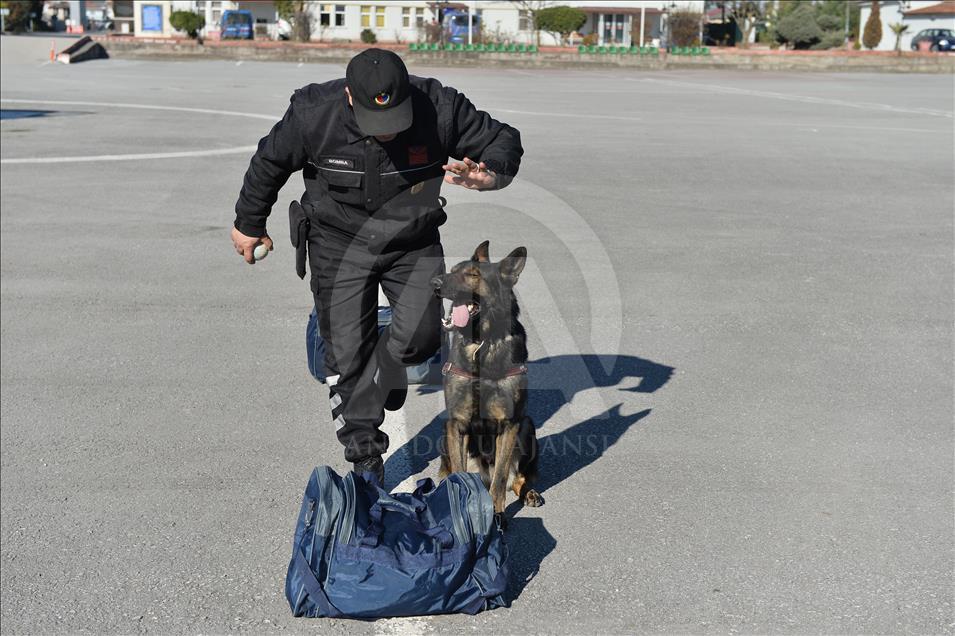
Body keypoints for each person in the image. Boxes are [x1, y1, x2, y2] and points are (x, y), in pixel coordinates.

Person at [230, 49, 523, 484]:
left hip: (411, 241)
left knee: (424, 339)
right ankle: (364, 456)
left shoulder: (438, 105)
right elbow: (269, 162)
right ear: (349, 96)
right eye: (375, 122)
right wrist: (248, 224)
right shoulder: (314, 112)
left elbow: (504, 139)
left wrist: (492, 174)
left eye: (395, 120)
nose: (387, 134)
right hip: (337, 241)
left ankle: (386, 368)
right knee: (347, 354)